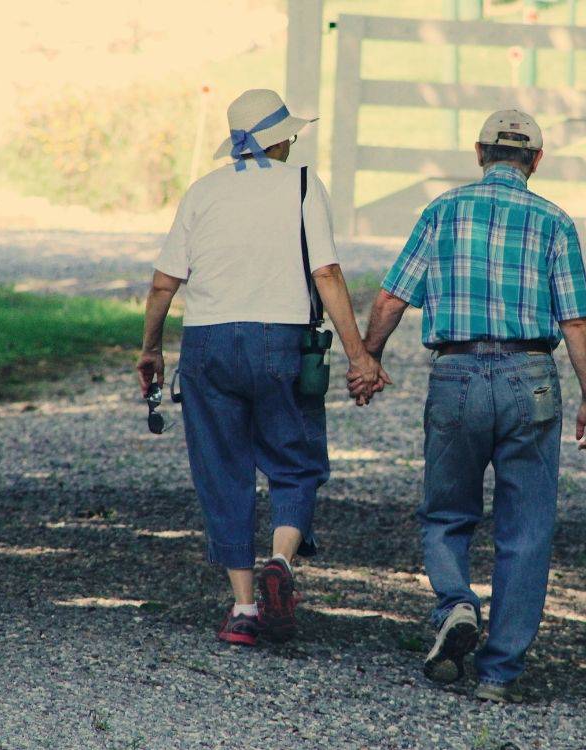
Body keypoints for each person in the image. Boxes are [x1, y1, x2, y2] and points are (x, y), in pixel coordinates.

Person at [355, 110, 586, 702]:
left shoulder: (441, 212)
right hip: (531, 378)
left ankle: (456, 603)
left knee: (446, 512)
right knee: (527, 527)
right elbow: (575, 317)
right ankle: (498, 673)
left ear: (478, 152)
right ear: (536, 161)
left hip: (457, 374)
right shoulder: (554, 222)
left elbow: (393, 297)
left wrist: (367, 359)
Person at [137, 89, 387, 647]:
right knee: (294, 462)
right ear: (279, 139)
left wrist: (151, 348)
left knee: (222, 472)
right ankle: (281, 559)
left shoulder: (201, 193)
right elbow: (326, 273)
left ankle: (245, 608)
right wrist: (359, 355)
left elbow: (162, 284)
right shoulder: (301, 185)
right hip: (281, 340)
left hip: (208, 344)